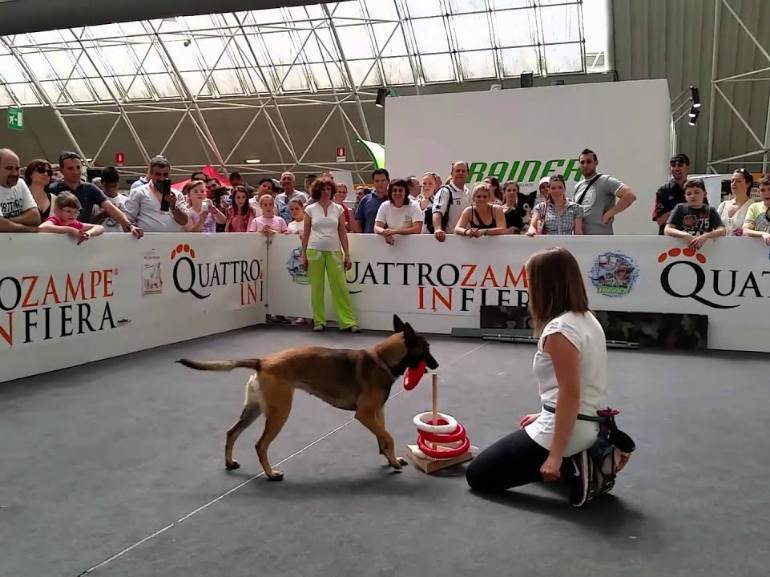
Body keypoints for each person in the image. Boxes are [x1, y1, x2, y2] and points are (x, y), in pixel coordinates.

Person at [466, 246, 609, 507]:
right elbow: (577, 385)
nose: (527, 288)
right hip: (584, 420)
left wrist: (554, 456)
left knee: (478, 475)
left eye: (530, 282)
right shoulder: (587, 319)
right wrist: (546, 411)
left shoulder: (559, 331)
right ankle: (572, 454)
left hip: (571, 428)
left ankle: (570, 461)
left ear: (545, 285)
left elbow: (570, 393)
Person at [301, 177, 359, 333]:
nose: (326, 192)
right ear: (317, 191)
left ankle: (348, 321)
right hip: (314, 251)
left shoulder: (338, 209)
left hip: (334, 251)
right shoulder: (310, 209)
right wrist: (303, 255)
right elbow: (305, 233)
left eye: (328, 189)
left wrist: (347, 254)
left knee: (340, 286)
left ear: (332, 190)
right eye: (323, 189)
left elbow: (342, 232)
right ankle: (319, 321)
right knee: (317, 288)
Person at [573, 148, 637, 235]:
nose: (585, 165)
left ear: (596, 163)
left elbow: (630, 195)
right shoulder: (578, 186)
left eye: (589, 161)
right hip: (581, 239)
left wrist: (609, 213)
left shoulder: (605, 181)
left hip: (602, 237)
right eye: (582, 162)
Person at [665, 178, 726, 250]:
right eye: (689, 194)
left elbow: (722, 230)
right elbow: (667, 229)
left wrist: (706, 236)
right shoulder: (679, 208)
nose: (692, 196)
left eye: (696, 192)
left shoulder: (710, 210)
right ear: (685, 197)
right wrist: (684, 235)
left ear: (704, 194)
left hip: (705, 251)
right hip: (682, 249)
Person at [0, 148, 41, 232]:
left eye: (17, 169)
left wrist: (7, 222)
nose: (15, 173)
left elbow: (35, 217)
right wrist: (28, 229)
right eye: (9, 168)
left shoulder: (20, 183)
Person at [39, 191, 104, 244]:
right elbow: (42, 227)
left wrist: (87, 234)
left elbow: (100, 227)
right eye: (68, 211)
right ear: (57, 210)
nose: (72, 215)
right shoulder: (55, 220)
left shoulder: (74, 224)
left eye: (76, 212)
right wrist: (70, 230)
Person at [431, 161, 472, 241]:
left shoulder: (468, 192)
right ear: (451, 174)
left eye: (463, 171)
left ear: (468, 174)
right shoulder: (445, 191)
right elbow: (437, 212)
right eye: (457, 171)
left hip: (467, 239)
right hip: (450, 239)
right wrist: (438, 229)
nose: (460, 173)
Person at [374, 178, 423, 244]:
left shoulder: (414, 205)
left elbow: (417, 229)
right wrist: (385, 233)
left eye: (400, 190)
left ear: (406, 192)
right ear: (390, 192)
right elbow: (377, 227)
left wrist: (395, 231)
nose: (397, 193)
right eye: (394, 190)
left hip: (412, 244)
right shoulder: (384, 205)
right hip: (392, 244)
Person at [653, 154, 691, 235]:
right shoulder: (663, 191)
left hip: (692, 239)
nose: (676, 168)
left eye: (680, 165)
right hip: (668, 241)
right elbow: (660, 221)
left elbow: (705, 214)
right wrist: (679, 210)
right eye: (673, 165)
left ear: (687, 167)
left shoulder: (696, 189)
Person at [717, 168, 753, 235]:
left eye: (738, 181)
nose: (734, 184)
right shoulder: (723, 205)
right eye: (732, 181)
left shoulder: (753, 206)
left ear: (748, 184)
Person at [741, 174, 770, 244]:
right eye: (763, 190)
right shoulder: (754, 207)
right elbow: (745, 231)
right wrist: (763, 234)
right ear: (758, 192)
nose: (767, 193)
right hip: (759, 249)